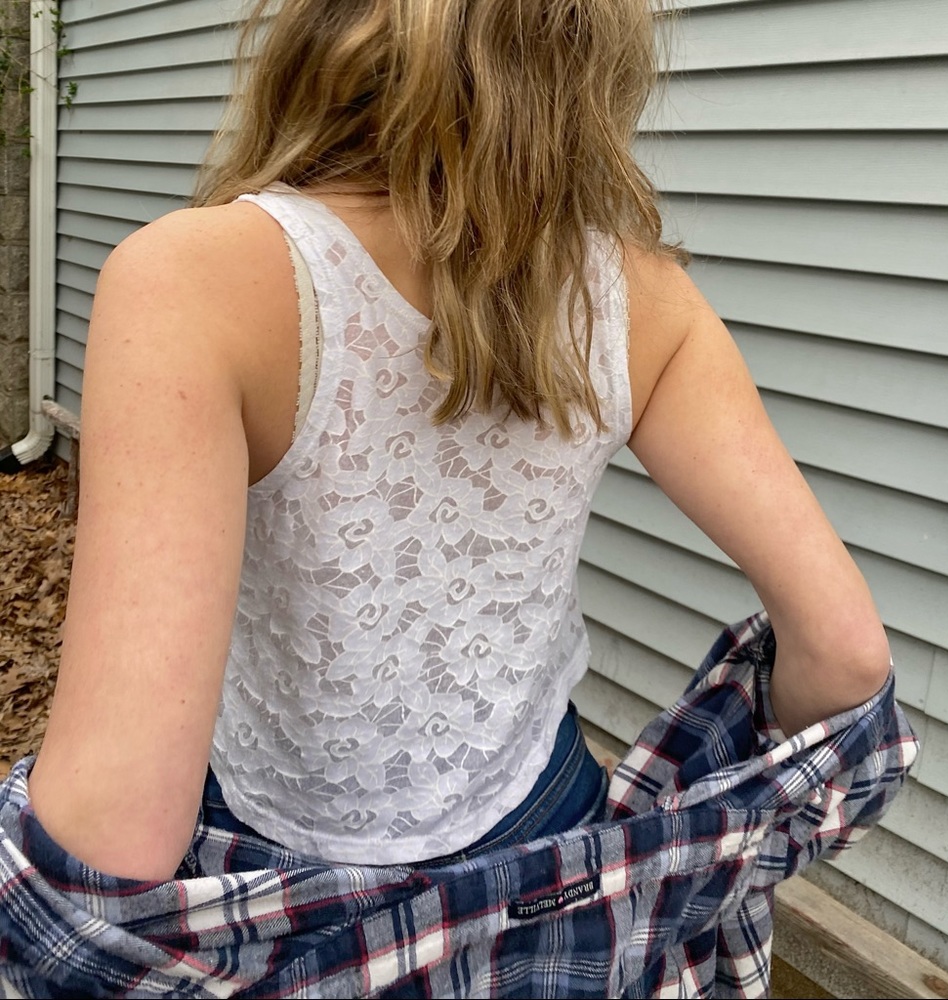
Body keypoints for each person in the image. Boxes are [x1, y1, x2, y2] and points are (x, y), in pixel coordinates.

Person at [26, 0, 890, 884]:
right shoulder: (643, 298)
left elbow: (113, 838)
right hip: (551, 838)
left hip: (280, 888)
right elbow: (846, 653)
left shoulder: (191, 285)